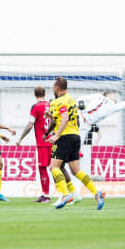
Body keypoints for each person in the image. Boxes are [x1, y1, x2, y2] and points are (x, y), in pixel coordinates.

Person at [47, 77, 105, 210]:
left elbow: (65, 118)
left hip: (64, 137)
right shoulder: (71, 99)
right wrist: (51, 116)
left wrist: (56, 135)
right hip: (75, 136)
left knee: (54, 167)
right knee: (76, 171)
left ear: (57, 87)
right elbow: (69, 116)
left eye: (53, 86)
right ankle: (96, 193)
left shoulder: (58, 101)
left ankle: (65, 195)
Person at [78, 83, 125, 148]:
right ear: (109, 94)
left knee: (77, 146)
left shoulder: (112, 107)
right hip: (79, 117)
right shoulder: (98, 96)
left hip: (86, 125)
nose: (115, 97)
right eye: (113, 96)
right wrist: (80, 104)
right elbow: (82, 98)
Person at [16, 86, 53, 203]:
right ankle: (52, 194)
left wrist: (20, 138)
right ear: (45, 93)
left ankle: (46, 195)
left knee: (43, 168)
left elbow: (30, 124)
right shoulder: (50, 105)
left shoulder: (36, 107)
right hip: (53, 141)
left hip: (43, 143)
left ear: (34, 94)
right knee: (56, 168)